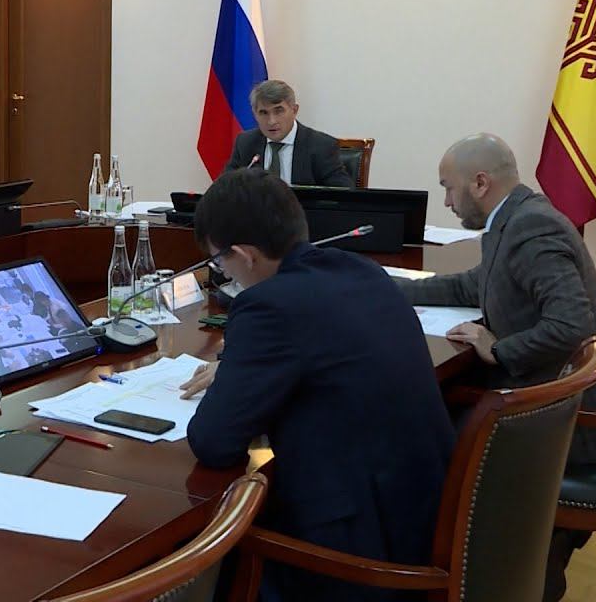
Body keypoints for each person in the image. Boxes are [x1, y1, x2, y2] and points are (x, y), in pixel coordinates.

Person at [179, 169, 453, 601]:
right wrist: (247, 370)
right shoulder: (362, 270)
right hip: (425, 522)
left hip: (356, 558)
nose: (224, 274)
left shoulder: (266, 306)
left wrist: (238, 376)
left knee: (204, 553)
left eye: (219, 263)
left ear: (245, 256)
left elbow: (214, 442)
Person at [393, 133, 596, 601]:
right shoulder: (512, 219)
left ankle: (464, 572)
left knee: (420, 437)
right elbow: (472, 285)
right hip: (542, 400)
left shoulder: (532, 228)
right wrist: (389, 287)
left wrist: (498, 350)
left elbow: (572, 324)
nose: (447, 202)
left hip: (563, 423)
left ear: (480, 183)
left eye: (448, 188)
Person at [222, 80, 353, 187]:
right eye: (263, 113)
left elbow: (343, 197)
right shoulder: (245, 143)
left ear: (294, 110)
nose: (271, 121)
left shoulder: (321, 146)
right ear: (255, 114)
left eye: (278, 111)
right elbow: (224, 189)